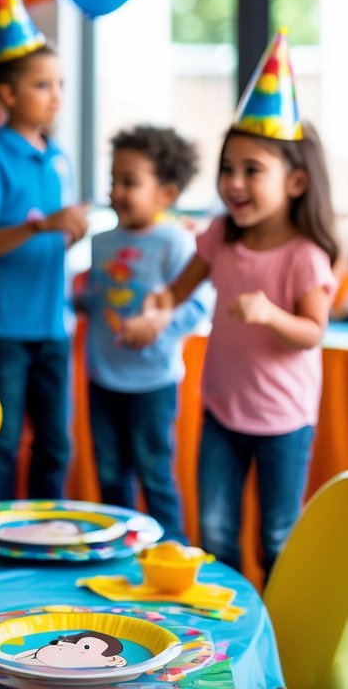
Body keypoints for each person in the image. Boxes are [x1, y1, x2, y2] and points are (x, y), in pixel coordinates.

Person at [145, 30, 338, 577]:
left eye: (253, 170)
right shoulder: (220, 236)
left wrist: (270, 314)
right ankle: (228, 625)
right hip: (223, 412)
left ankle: (278, 635)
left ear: (296, 180)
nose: (234, 182)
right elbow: (179, 289)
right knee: (216, 531)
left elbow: (313, 331)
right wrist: (155, 308)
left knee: (277, 537)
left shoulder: (303, 257)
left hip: (284, 422)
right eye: (228, 168)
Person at [0, 0, 87, 503]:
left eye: (59, 84)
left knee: (56, 445)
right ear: (7, 94)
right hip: (2, 330)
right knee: (1, 445)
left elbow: (59, 236)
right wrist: (39, 226)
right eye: (42, 85)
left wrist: (72, 233)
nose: (55, 96)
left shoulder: (58, 158)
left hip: (52, 326)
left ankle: (42, 534)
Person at [79, 125, 213, 540]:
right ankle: (117, 560)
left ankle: (171, 561)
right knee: (110, 478)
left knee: (155, 477)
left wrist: (157, 327)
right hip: (102, 379)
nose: (118, 192)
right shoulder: (100, 242)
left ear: (166, 194)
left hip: (153, 385)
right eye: (113, 181)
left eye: (130, 182)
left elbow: (199, 303)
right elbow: (99, 299)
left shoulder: (175, 242)